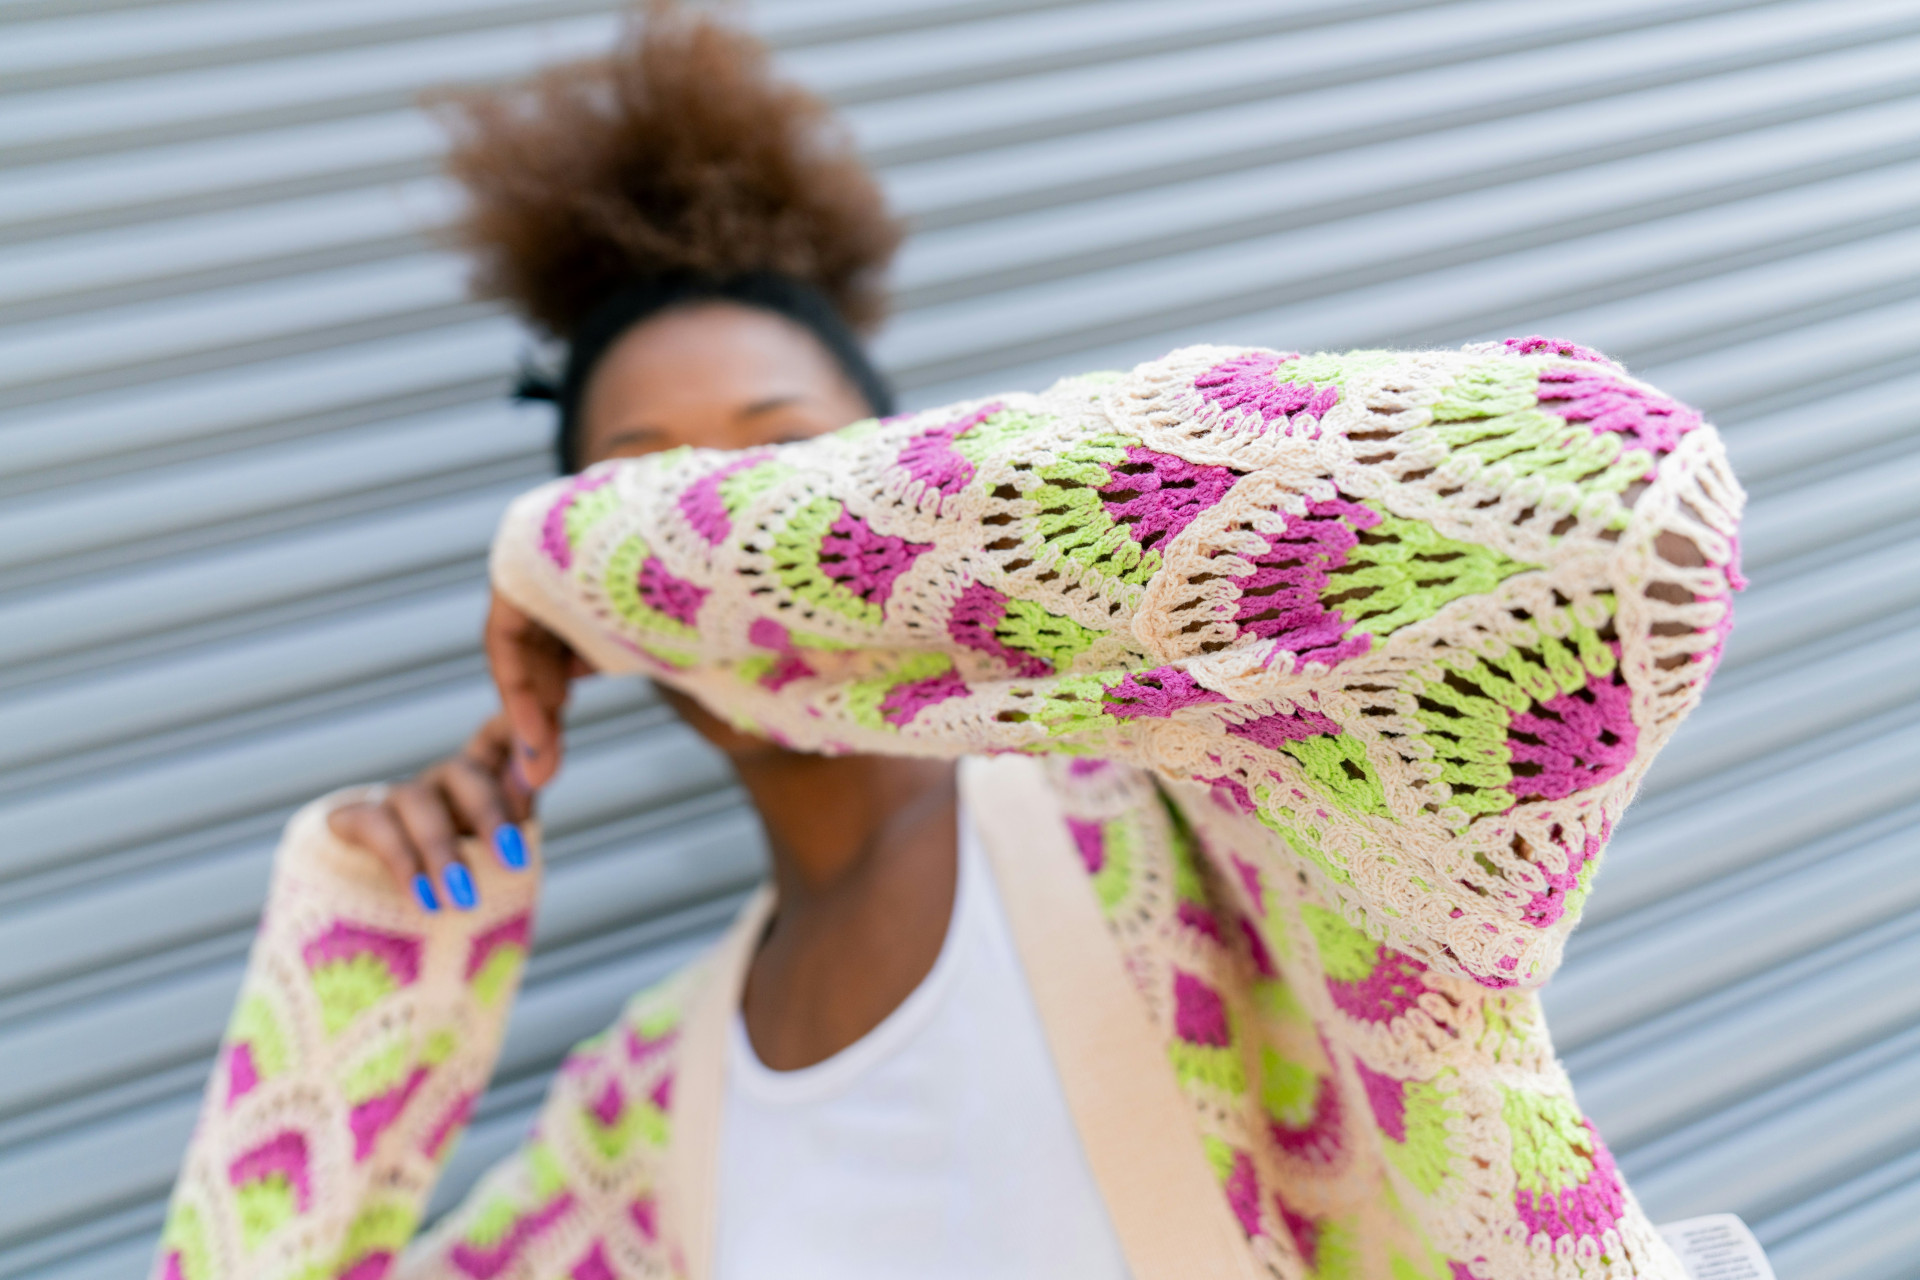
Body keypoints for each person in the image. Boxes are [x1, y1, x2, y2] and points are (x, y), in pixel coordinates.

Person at [150, 7, 1747, 1280]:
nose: (711, 537)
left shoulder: (1206, 796)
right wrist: (376, 956)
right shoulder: (640, 1115)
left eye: (770, 470)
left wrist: (589, 542)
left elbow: (1609, 508)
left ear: (884, 484)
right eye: (645, 486)